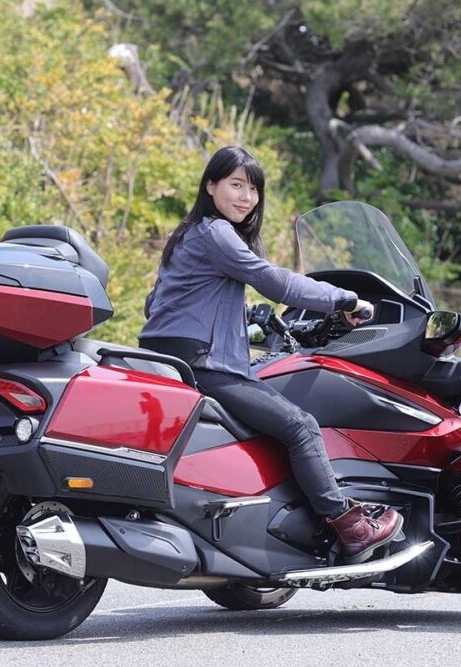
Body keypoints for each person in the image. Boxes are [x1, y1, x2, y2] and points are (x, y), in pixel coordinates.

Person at [138, 145, 403, 564]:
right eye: (235, 185)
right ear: (211, 186)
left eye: (253, 189)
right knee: (300, 426)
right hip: (204, 365)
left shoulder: (186, 234)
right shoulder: (216, 232)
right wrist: (345, 300)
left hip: (166, 359)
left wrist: (242, 318)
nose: (245, 197)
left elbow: (160, 305)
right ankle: (350, 526)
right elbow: (273, 281)